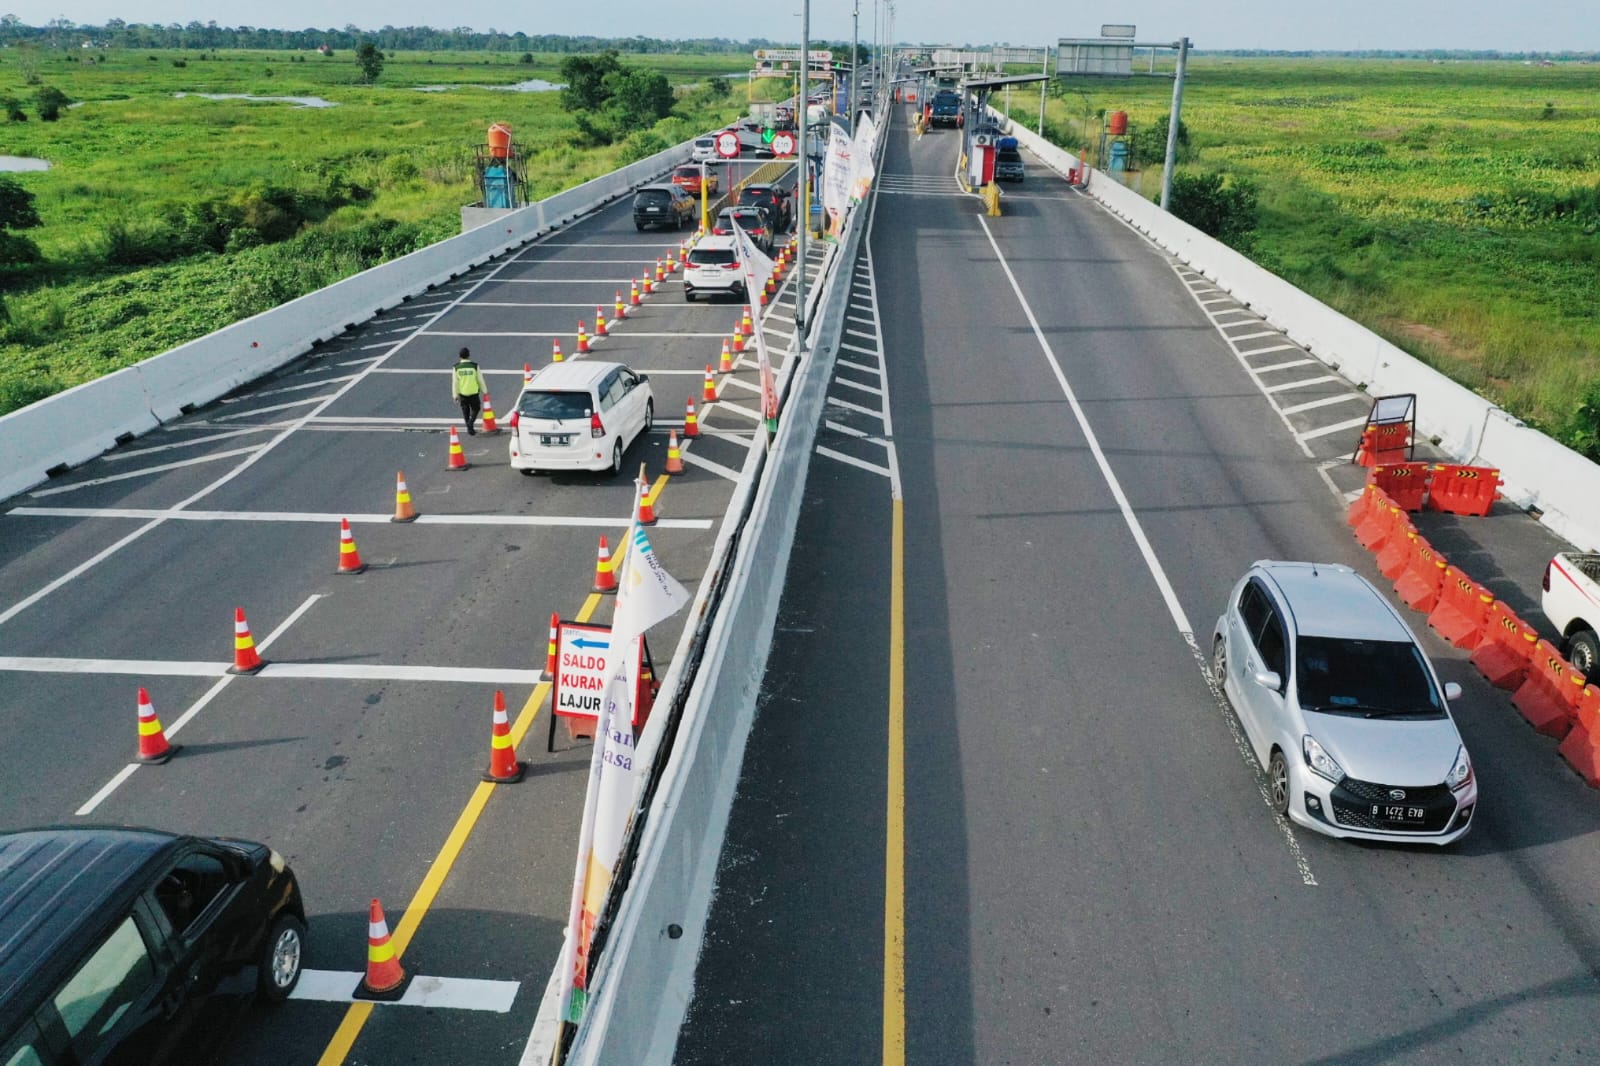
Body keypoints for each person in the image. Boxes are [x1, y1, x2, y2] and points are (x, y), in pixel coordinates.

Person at [452, 347, 485, 435]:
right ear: (469, 355)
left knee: (465, 411)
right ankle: (471, 423)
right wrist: (485, 391)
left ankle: (469, 429)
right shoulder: (474, 366)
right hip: (473, 392)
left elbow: (455, 383)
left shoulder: (456, 367)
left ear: (460, 356)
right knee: (476, 408)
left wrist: (455, 395)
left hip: (463, 393)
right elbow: (480, 380)